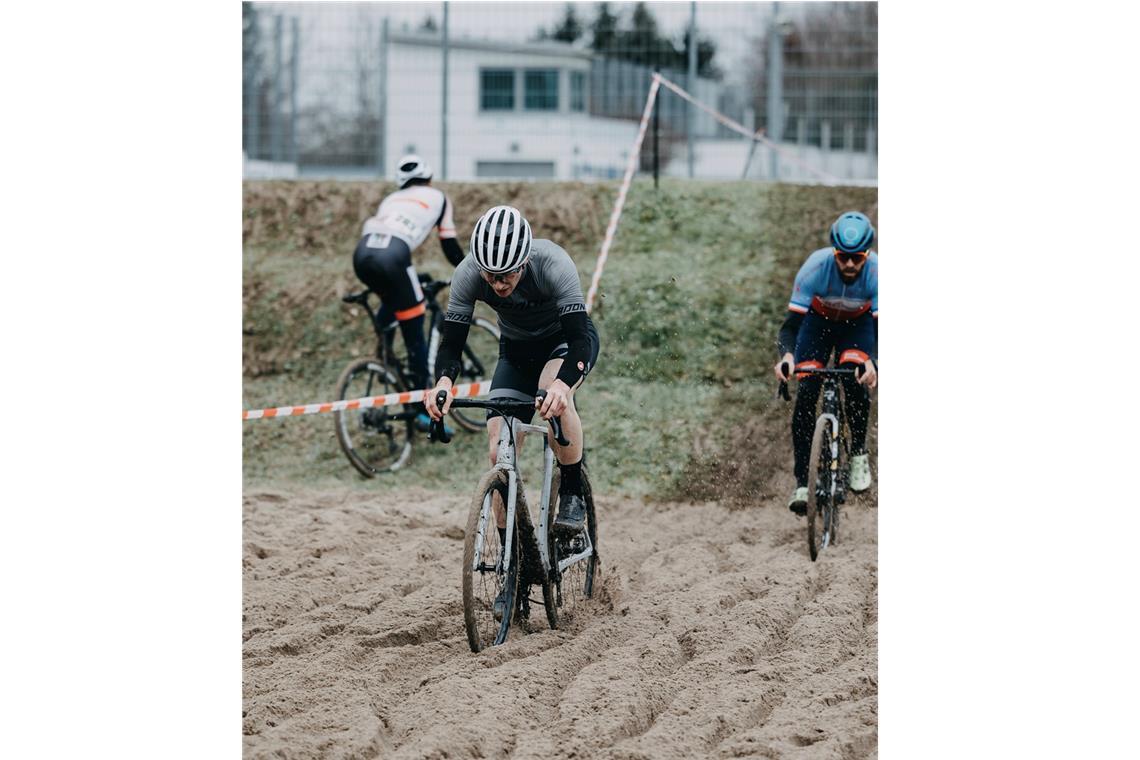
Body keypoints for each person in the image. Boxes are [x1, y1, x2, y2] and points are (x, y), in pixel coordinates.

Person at [425, 205, 600, 546]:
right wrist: (443, 383)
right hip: (517, 351)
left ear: (523, 263)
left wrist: (563, 387)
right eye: (490, 275)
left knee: (554, 397)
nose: (498, 284)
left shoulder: (554, 264)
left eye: (506, 275)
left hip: (564, 343)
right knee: (497, 451)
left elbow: (579, 340)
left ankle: (573, 491)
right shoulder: (468, 274)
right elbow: (452, 342)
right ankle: (513, 554)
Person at [774, 211, 878, 516]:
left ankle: (858, 453)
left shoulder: (879, 275)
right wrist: (788, 356)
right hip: (817, 325)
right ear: (833, 252)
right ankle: (802, 484)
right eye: (842, 257)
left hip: (857, 327)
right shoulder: (814, 268)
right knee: (807, 392)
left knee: (855, 376)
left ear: (867, 254)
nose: (848, 264)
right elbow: (790, 325)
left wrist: (874, 363)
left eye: (856, 258)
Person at [353, 154, 464, 431]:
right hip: (394, 256)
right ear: (428, 177)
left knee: (396, 296)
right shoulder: (438, 197)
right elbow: (449, 245)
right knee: (415, 328)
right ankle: (421, 410)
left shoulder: (391, 199)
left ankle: (385, 353)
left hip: (363, 254)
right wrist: (469, 268)